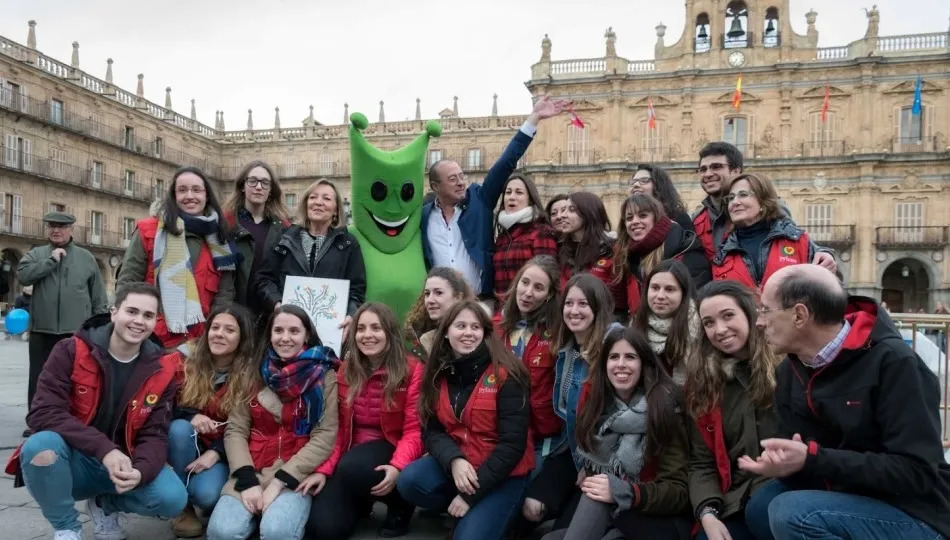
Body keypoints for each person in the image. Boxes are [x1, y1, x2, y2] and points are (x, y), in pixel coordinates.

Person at [738, 264, 950, 540]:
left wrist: (813, 458)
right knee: (760, 507)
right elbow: (806, 456)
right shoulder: (789, 370)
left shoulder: (896, 363)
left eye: (765, 310)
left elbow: (917, 472)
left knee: (793, 513)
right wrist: (785, 464)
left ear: (799, 315)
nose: (759, 321)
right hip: (846, 492)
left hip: (915, 511)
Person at [4, 282, 187, 540]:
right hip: (74, 460)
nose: (138, 321)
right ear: (114, 312)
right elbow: (43, 412)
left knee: (172, 498)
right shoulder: (71, 350)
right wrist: (105, 449)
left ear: (155, 322)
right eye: (131, 311)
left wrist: (141, 471)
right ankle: (67, 527)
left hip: (125, 463)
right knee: (39, 447)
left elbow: (155, 434)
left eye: (148, 315)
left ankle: (105, 505)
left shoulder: (161, 369)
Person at [396, 300, 533, 540]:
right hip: (463, 465)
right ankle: (464, 512)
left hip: (504, 475)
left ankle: (494, 515)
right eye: (461, 326)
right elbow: (431, 431)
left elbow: (512, 446)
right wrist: (454, 460)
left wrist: (469, 496)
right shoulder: (437, 373)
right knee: (409, 481)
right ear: (446, 332)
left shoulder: (508, 375)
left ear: (485, 333)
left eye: (475, 327)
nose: (469, 333)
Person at [205, 305, 340, 540]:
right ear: (270, 335)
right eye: (278, 331)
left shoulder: (324, 374)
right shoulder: (251, 372)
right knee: (221, 532)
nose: (285, 338)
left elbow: (325, 434)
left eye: (294, 331)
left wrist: (280, 482)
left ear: (306, 335)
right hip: (253, 467)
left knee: (278, 532)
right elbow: (236, 429)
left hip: (295, 471)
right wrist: (247, 481)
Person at [543, 326, 691, 540]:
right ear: (604, 365)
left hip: (659, 517)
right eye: (614, 357)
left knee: (599, 496)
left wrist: (627, 491)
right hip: (619, 512)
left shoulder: (664, 408)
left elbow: (679, 491)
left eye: (630, 357)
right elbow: (598, 475)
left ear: (644, 363)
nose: (621, 364)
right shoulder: (600, 407)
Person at [422, 95, 570, 303]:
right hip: (441, 304)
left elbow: (505, 163)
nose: (461, 182)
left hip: (480, 302)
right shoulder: (424, 216)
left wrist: (534, 118)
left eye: (462, 176)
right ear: (435, 186)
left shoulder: (479, 201)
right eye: (453, 179)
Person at [302, 303, 424, 540]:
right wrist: (324, 470)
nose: (367, 335)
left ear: (390, 332)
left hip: (391, 448)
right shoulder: (345, 370)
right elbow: (336, 428)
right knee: (325, 529)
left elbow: (414, 429)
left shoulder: (411, 370)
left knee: (353, 466)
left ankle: (400, 503)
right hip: (350, 455)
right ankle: (361, 500)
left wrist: (398, 466)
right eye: (361, 329)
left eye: (376, 328)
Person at [520, 273, 621, 533]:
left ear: (598, 307)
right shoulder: (567, 348)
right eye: (569, 303)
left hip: (607, 460)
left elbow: (622, 419)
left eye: (583, 304)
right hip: (574, 450)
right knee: (531, 508)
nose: (574, 311)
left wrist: (591, 465)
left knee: (565, 533)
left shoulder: (615, 348)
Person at [687, 280, 783, 540]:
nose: (720, 330)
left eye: (728, 316)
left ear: (750, 314)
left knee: (762, 512)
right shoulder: (706, 382)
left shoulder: (786, 366)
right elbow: (702, 462)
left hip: (783, 488)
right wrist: (707, 512)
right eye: (709, 323)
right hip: (734, 500)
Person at [117, 166, 239, 349]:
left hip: (199, 345)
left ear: (207, 195)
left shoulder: (221, 240)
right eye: (182, 190)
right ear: (174, 196)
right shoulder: (149, 230)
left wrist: (210, 337)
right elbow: (127, 283)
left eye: (196, 190)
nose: (189, 196)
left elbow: (224, 296)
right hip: (151, 341)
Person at [167, 304, 260, 538]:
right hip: (183, 447)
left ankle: (203, 496)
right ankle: (181, 507)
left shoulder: (252, 373)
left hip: (224, 449)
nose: (219, 334)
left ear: (242, 338)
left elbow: (253, 427)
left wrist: (217, 452)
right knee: (179, 429)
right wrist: (190, 415)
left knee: (207, 496)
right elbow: (160, 408)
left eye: (229, 330)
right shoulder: (183, 361)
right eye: (215, 327)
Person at [17, 211, 109, 437]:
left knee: (77, 377)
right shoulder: (36, 254)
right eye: (52, 226)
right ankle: (37, 421)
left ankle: (75, 418)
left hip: (75, 333)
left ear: (71, 230)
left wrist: (101, 326)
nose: (56, 230)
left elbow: (98, 295)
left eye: (61, 226)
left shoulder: (86, 258)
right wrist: (50, 261)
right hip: (42, 330)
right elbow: (24, 276)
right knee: (39, 378)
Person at [693, 142, 835, 271]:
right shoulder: (697, 219)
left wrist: (821, 252)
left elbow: (790, 237)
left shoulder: (767, 205)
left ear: (736, 171)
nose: (708, 174)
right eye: (703, 169)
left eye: (716, 167)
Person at [255, 179, 366, 338]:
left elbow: (357, 289)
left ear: (336, 210)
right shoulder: (283, 239)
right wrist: (277, 304)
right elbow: (264, 279)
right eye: (313, 197)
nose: (318, 202)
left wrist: (351, 315)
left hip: (331, 332)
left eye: (326, 198)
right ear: (306, 204)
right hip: (287, 330)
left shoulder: (348, 244)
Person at [712, 174, 832, 294]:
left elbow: (827, 290)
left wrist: (826, 255)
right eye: (730, 198)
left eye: (743, 195)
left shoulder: (796, 240)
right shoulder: (722, 256)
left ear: (763, 201)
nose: (735, 202)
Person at [496, 255, 563, 459]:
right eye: (525, 282)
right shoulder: (494, 327)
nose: (528, 293)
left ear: (549, 295)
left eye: (538, 288)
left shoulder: (558, 332)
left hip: (542, 434)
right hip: (500, 431)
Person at [612, 193, 710, 319]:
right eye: (629, 218)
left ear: (657, 218)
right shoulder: (626, 257)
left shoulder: (687, 253)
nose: (635, 221)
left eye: (643, 215)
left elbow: (696, 304)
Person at [223, 160, 292, 319]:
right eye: (253, 181)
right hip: (233, 312)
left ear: (271, 190)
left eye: (265, 183)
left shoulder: (284, 229)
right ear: (243, 185)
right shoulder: (226, 223)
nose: (259, 187)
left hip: (270, 313)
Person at [492, 173, 558, 306]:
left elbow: (548, 276)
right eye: (508, 192)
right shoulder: (503, 237)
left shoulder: (541, 232)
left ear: (530, 199)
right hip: (503, 309)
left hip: (531, 309)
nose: (512, 197)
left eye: (519, 192)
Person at [631, 260, 700, 386]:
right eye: (655, 288)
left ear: (684, 293)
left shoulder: (698, 327)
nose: (660, 296)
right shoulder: (636, 324)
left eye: (669, 289)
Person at [403, 266, 474, 359]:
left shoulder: (477, 332)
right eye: (427, 294)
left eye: (439, 293)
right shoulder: (423, 334)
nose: (430, 300)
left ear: (458, 297)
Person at [628, 164, 692, 231]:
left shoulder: (679, 218)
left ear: (659, 186)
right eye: (633, 182)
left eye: (644, 181)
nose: (635, 184)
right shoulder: (628, 221)